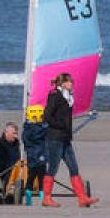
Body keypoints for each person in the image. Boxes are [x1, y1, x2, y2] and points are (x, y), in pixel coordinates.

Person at [40, 72, 98, 207]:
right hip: (54, 138)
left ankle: (82, 198)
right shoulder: (55, 95)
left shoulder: (68, 97)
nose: (72, 84)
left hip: (65, 139)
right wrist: (60, 126)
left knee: (74, 167)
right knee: (53, 168)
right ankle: (46, 198)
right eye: (70, 82)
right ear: (63, 83)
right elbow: (46, 116)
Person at [20, 107, 48, 204]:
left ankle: (29, 199)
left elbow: (24, 139)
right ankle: (42, 199)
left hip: (31, 157)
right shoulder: (43, 129)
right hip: (41, 157)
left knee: (30, 178)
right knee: (42, 179)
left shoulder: (27, 129)